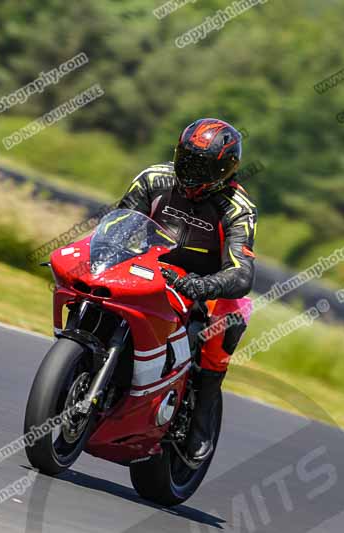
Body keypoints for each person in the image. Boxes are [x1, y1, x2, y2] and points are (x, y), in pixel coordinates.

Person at [118, 118, 257, 461]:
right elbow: (119, 222)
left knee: (229, 319)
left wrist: (199, 286)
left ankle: (201, 417)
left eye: (203, 165)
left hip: (203, 288)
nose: (191, 171)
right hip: (149, 269)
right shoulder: (153, 179)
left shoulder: (237, 209)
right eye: (188, 159)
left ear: (224, 170)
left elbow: (242, 273)